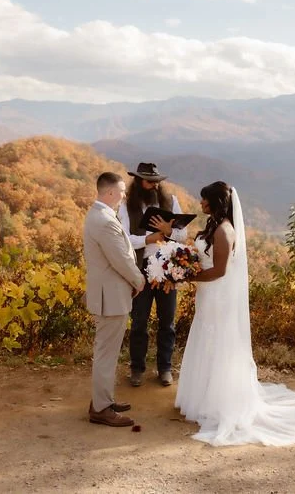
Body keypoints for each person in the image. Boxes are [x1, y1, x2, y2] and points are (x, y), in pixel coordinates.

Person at [175, 182, 295, 446]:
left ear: (215, 202)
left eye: (204, 200)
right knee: (206, 340)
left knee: (218, 343)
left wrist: (190, 276)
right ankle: (203, 397)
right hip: (207, 296)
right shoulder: (213, 225)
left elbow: (220, 271)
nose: (200, 204)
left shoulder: (224, 231)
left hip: (217, 296)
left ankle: (219, 402)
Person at [82, 172, 145, 427]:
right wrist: (138, 280)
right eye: (121, 191)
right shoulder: (104, 220)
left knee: (106, 350)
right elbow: (120, 258)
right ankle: (101, 409)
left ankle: (102, 400)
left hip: (109, 293)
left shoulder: (99, 215)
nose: (124, 195)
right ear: (109, 193)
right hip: (111, 296)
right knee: (106, 353)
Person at [118, 162, 188, 387]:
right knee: (139, 321)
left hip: (168, 268)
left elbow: (183, 234)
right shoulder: (126, 206)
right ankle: (137, 368)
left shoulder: (171, 201)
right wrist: (148, 239)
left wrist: (168, 232)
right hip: (140, 268)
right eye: (149, 181)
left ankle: (165, 368)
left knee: (167, 322)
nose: (154, 186)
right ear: (138, 181)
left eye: (157, 182)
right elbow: (124, 239)